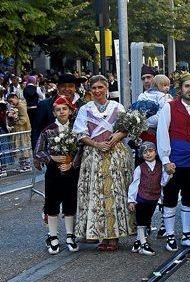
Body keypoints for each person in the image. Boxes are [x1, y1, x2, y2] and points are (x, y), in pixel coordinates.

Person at [73, 75, 134, 251]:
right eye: (94, 88)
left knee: (114, 193)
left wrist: (116, 137)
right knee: (96, 194)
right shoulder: (85, 109)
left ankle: (114, 235)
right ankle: (100, 233)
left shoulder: (117, 106)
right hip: (94, 155)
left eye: (101, 87)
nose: (98, 91)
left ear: (106, 88)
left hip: (115, 154)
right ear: (90, 90)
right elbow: (80, 133)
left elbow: (126, 128)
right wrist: (97, 144)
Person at [157, 74, 190, 251]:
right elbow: (162, 133)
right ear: (180, 89)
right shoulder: (169, 107)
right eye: (187, 86)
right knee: (170, 198)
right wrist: (165, 160)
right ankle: (170, 235)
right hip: (174, 160)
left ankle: (186, 234)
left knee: (189, 198)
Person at [33, 96, 81, 254]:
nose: (62, 112)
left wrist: (72, 163)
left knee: (70, 203)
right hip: (53, 172)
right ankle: (53, 236)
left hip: (70, 172)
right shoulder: (48, 130)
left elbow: (81, 150)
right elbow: (38, 151)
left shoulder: (76, 129)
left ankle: (70, 235)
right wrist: (51, 158)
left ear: (70, 111)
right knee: (52, 205)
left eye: (64, 109)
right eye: (58, 110)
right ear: (54, 112)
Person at [126, 142, 164, 256]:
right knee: (141, 220)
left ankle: (138, 240)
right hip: (142, 198)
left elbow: (163, 182)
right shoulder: (140, 168)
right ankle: (143, 243)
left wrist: (162, 199)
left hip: (154, 198)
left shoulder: (160, 166)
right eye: (145, 152)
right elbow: (134, 184)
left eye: (151, 151)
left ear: (156, 152)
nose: (148, 154)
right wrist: (131, 200)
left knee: (147, 219)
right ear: (141, 155)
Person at [33, 74, 84, 149]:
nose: (67, 89)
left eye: (70, 86)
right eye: (63, 86)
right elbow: (36, 132)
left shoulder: (83, 106)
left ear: (75, 88)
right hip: (52, 154)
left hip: (78, 153)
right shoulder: (44, 105)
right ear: (58, 87)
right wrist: (39, 155)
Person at [5, 92, 32, 172]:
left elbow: (24, 119)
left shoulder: (21, 106)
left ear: (16, 98)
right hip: (18, 129)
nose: (11, 103)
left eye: (11, 101)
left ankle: (27, 166)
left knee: (23, 147)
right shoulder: (17, 106)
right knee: (19, 147)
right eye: (9, 102)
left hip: (22, 130)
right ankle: (22, 165)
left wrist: (15, 121)